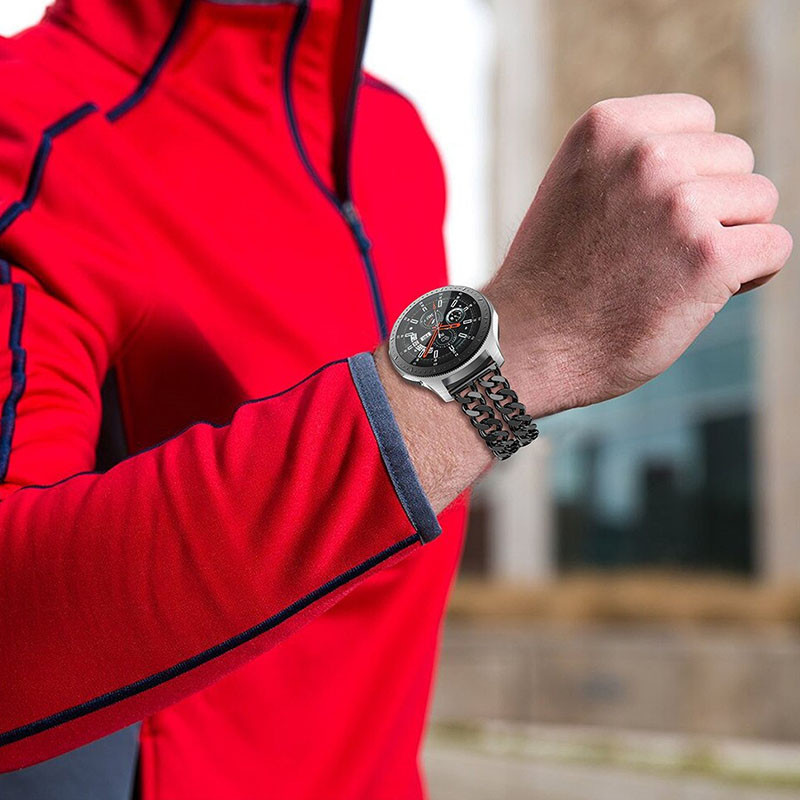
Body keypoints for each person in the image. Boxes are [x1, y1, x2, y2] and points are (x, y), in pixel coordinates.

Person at [0, 0, 790, 798]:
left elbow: (421, 477)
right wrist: (520, 344)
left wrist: (494, 383)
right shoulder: (28, 119)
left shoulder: (393, 140)